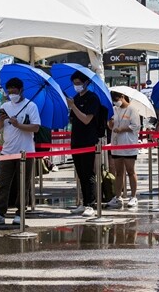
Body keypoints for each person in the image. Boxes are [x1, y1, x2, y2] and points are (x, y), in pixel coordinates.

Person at [0, 77, 40, 226]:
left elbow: (35, 127)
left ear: (21, 90)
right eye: (9, 92)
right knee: (3, 183)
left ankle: (20, 212)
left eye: (14, 91)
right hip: (7, 151)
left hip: (25, 152)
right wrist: (1, 120)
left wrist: (19, 124)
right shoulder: (5, 106)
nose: (11, 94)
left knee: (23, 183)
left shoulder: (31, 106)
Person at [66, 71, 102, 217]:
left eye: (79, 83)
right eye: (74, 83)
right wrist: (71, 107)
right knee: (80, 174)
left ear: (86, 83)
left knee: (88, 173)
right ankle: (84, 202)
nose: (76, 86)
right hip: (76, 140)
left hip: (88, 141)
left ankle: (91, 204)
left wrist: (74, 107)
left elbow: (87, 119)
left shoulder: (92, 98)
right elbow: (73, 120)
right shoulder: (75, 98)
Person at [107, 92, 141, 208]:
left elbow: (136, 126)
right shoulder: (114, 109)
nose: (116, 101)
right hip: (116, 143)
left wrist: (123, 129)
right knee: (118, 172)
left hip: (129, 144)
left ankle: (133, 196)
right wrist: (110, 123)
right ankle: (118, 197)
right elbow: (111, 125)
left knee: (130, 171)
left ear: (122, 97)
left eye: (116, 99)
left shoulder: (132, 109)